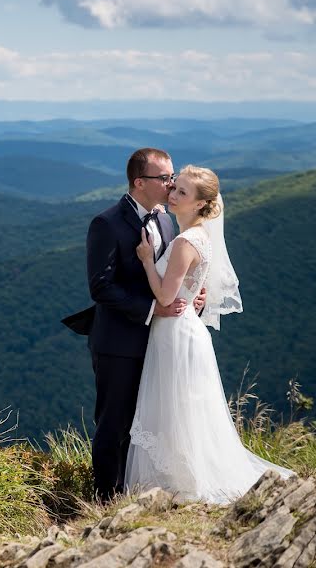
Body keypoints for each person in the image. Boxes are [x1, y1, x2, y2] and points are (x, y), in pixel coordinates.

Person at [125, 165, 293, 503]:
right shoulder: (199, 235)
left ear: (201, 204)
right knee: (182, 405)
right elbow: (191, 289)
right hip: (185, 328)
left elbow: (165, 297)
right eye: (175, 188)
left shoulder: (187, 240)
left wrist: (146, 260)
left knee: (174, 404)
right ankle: (182, 474)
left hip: (175, 330)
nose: (173, 194)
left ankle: (183, 481)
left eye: (182, 193)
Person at [62, 148, 205, 501]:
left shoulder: (168, 220)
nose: (171, 184)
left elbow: (173, 275)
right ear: (140, 183)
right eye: (164, 178)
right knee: (115, 423)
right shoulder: (106, 223)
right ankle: (106, 500)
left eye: (172, 177)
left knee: (153, 423)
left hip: (162, 341)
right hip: (119, 343)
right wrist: (153, 309)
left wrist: (192, 298)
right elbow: (101, 286)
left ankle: (141, 493)